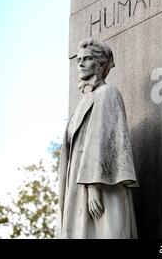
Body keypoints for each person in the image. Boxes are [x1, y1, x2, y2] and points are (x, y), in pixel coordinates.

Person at [57, 38, 138, 239]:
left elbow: (105, 140)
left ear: (101, 64)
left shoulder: (108, 93)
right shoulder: (83, 102)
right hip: (78, 185)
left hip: (102, 185)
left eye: (88, 59)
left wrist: (93, 185)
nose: (81, 63)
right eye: (79, 60)